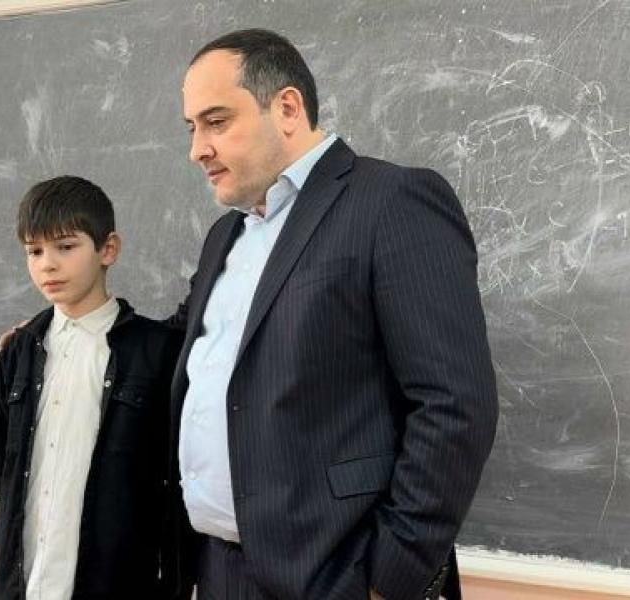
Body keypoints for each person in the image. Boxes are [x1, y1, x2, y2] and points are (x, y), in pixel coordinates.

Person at [165, 29, 499, 600]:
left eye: (216, 122)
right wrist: (69, 322)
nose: (198, 148)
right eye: (192, 128)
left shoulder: (392, 201)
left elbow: (454, 404)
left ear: (287, 108)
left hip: (337, 575)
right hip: (219, 572)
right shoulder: (226, 234)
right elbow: (188, 349)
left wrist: (389, 579)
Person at [0, 176, 181, 600]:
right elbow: (5, 473)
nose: (48, 264)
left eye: (65, 246)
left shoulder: (156, 352)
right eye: (35, 251)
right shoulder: (17, 352)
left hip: (115, 584)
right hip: (25, 585)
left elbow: (173, 489)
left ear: (107, 249)